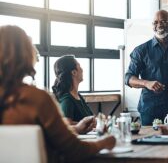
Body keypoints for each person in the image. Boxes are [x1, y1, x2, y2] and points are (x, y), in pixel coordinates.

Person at [0, 25, 116, 162]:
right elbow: (76, 151)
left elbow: (45, 136)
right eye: (31, 45)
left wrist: (77, 129)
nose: (36, 50)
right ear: (23, 53)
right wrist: (105, 142)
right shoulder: (37, 99)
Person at [125, 10, 168, 125]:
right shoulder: (141, 51)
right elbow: (128, 78)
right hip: (149, 109)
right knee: (148, 141)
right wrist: (146, 83)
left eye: (163, 21)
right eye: (155, 22)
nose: (159, 25)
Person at [52, 55, 93, 123]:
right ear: (74, 72)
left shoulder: (79, 97)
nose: (82, 69)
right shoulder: (67, 100)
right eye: (79, 66)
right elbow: (66, 125)